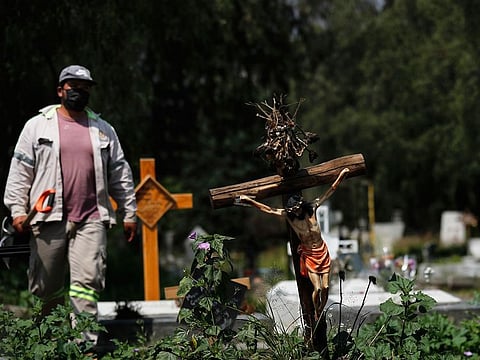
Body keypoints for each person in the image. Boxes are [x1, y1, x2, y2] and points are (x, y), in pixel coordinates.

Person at [3, 64, 137, 343]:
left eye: (84, 87)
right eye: (73, 86)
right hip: (47, 219)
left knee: (87, 284)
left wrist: (129, 214)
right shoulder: (37, 125)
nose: (78, 91)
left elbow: (120, 173)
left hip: (91, 219)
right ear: (60, 90)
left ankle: (84, 345)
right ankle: (47, 342)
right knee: (46, 287)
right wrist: (17, 210)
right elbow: (20, 171)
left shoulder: (103, 129)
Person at [235, 168, 350, 320]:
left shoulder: (312, 209)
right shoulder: (290, 217)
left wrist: (342, 175)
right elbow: (269, 210)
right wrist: (249, 200)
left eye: (296, 208)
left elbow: (330, 191)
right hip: (309, 254)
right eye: (292, 210)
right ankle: (317, 312)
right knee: (316, 288)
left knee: (326, 287)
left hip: (322, 251)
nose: (295, 211)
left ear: (301, 205)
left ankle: (321, 307)